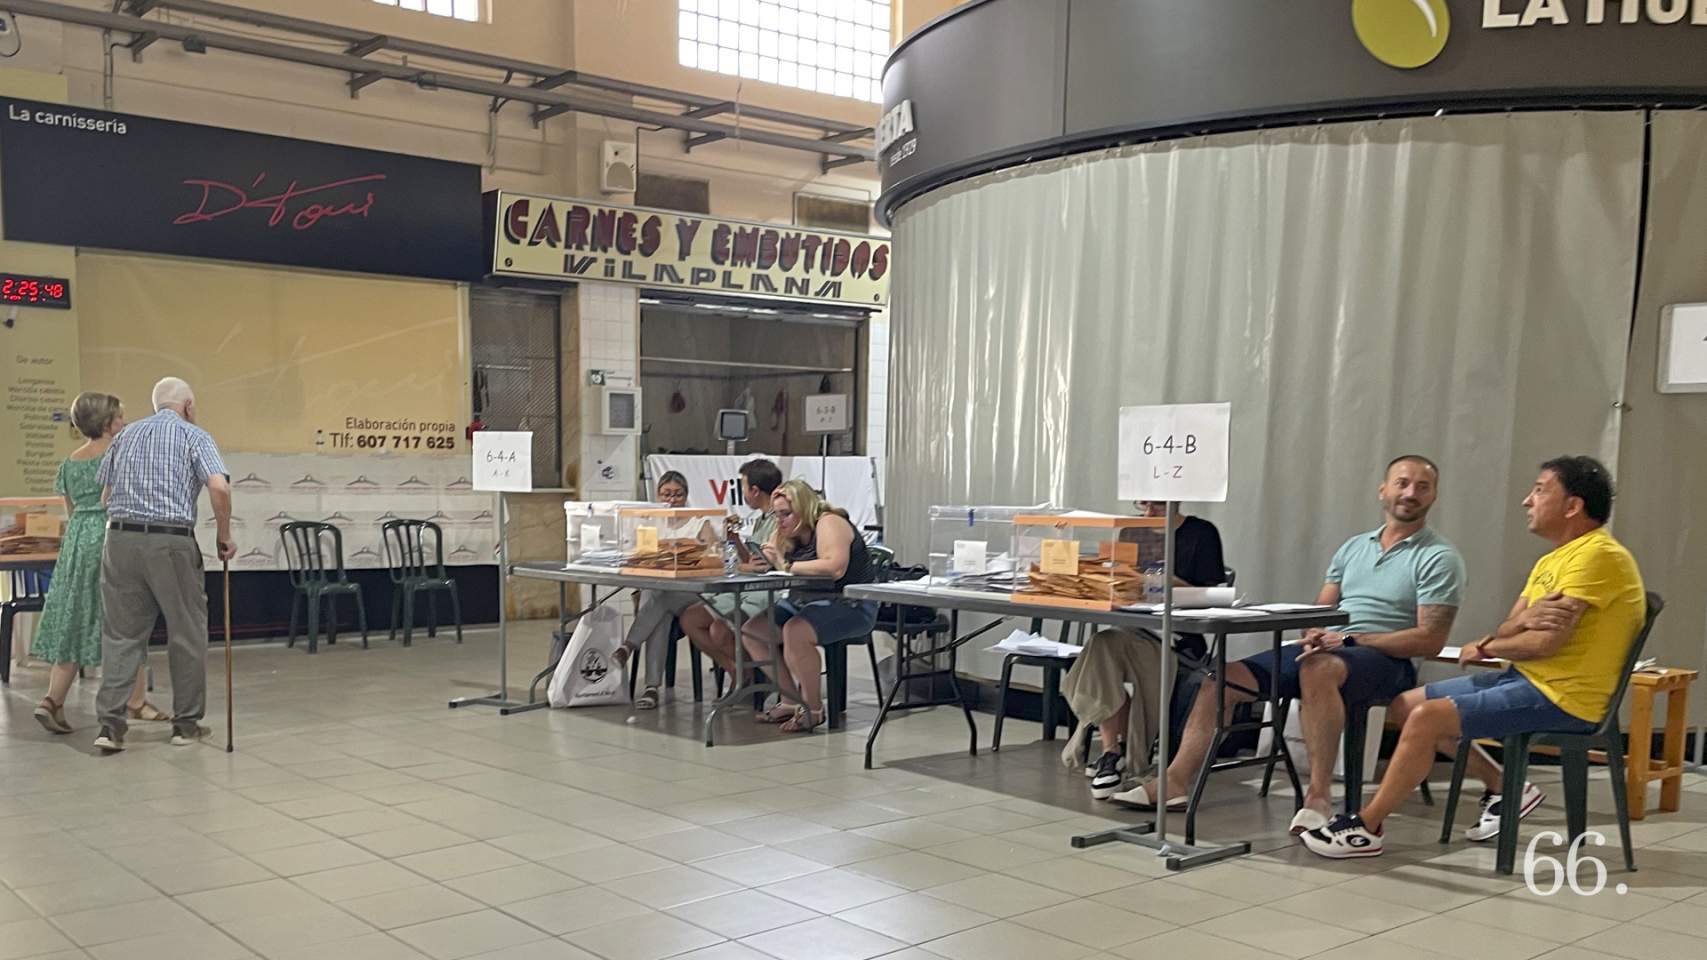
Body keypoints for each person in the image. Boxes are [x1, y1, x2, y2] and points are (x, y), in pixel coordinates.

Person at [1304, 456, 1645, 859]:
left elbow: (1541, 645)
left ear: (1572, 506)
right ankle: (1506, 788)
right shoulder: (1553, 559)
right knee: (1407, 703)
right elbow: (1510, 627)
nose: (1527, 501)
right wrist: (1513, 630)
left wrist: (1487, 647)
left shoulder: (1598, 556)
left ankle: (1367, 825)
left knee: (1428, 717)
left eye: (1539, 490)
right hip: (1526, 679)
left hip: (1565, 696)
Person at [1115, 455, 1464, 836]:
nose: (1410, 493)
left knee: (1316, 669)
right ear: (1383, 490)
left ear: (1434, 497)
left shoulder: (1439, 557)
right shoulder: (1354, 548)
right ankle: (1175, 782)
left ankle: (1317, 797)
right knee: (1220, 680)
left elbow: (1430, 639)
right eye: (1402, 483)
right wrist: (1314, 630)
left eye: (1422, 487)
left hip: (1386, 659)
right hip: (1334, 649)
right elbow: (1322, 607)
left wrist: (1350, 638)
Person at [93, 377, 234, 753]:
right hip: (171, 541)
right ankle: (185, 725)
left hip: (119, 539)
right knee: (186, 631)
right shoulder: (195, 435)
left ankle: (110, 726)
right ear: (187, 406)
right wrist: (224, 534)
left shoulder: (125, 436)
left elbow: (105, 494)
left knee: (122, 634)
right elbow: (219, 487)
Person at [1061, 501, 1226, 800]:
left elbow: (1213, 595)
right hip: (1133, 626)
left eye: (1158, 504)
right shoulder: (1130, 532)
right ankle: (1113, 751)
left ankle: (1117, 754)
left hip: (1176, 636)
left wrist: (1158, 581)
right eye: (1144, 504)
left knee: (1103, 650)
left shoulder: (1201, 533)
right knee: (1101, 646)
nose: (1149, 512)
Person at [30, 393, 162, 734]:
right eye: (119, 417)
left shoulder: (71, 462)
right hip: (111, 535)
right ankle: (136, 701)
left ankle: (51, 699)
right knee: (128, 618)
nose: (124, 422)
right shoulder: (120, 455)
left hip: (77, 542)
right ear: (107, 424)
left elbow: (70, 511)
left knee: (75, 617)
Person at [738, 479, 877, 733]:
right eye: (776, 514)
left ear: (804, 509)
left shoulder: (829, 522)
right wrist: (762, 561)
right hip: (804, 600)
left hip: (851, 603)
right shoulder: (785, 531)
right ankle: (791, 700)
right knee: (753, 631)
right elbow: (774, 563)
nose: (780, 521)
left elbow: (834, 567)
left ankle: (813, 710)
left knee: (795, 630)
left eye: (786, 514)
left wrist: (785, 565)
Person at [680, 458, 783, 692]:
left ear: (755, 491)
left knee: (720, 628)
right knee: (691, 619)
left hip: (765, 592)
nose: (744, 493)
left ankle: (756, 675)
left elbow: (762, 566)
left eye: (744, 487)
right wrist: (735, 540)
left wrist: (741, 567)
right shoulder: (760, 520)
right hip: (746, 587)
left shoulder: (780, 520)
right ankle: (735, 668)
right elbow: (751, 560)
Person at [612, 470, 709, 709]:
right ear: (658, 495)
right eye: (667, 494)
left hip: (692, 595)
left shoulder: (699, 521)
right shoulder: (651, 522)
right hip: (662, 594)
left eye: (678, 494)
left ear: (686, 496)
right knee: (659, 605)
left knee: (656, 596)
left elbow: (711, 556)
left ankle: (629, 646)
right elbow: (641, 557)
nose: (672, 499)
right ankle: (651, 688)